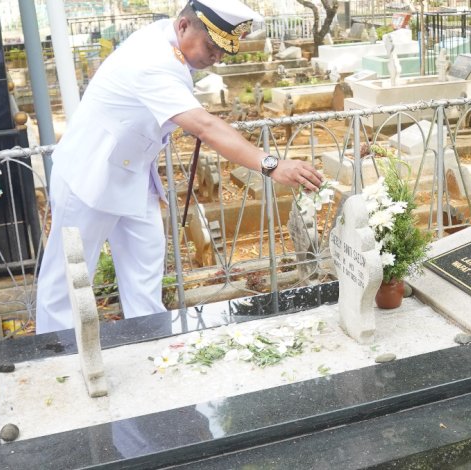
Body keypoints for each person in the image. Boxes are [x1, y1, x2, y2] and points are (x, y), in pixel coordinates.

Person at [34, 0, 323, 334]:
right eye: (212, 46)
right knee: (67, 279)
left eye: (223, 52)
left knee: (145, 269)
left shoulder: (167, 40)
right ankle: (56, 356)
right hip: (90, 177)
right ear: (184, 26)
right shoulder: (152, 60)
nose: (216, 58)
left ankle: (153, 346)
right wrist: (271, 165)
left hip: (132, 177)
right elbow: (205, 127)